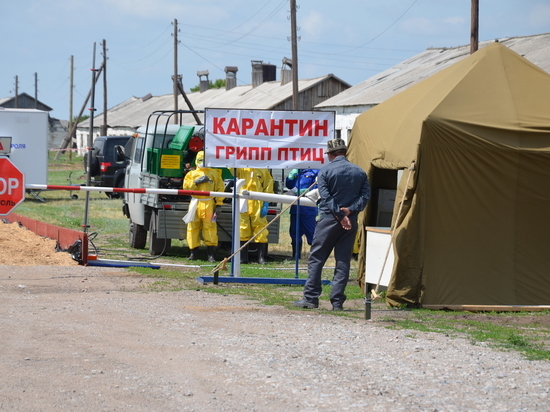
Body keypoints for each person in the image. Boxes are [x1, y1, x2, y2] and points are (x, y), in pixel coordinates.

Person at [293, 138, 370, 311]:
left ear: (331, 154)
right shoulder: (359, 172)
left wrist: (339, 214)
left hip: (329, 219)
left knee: (317, 258)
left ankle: (311, 298)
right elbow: (364, 197)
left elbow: (326, 198)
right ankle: (337, 302)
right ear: (344, 152)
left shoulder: (325, 171)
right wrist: (349, 211)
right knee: (343, 260)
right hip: (350, 220)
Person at [182, 151, 225, 263]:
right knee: (192, 228)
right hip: (195, 203)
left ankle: (210, 255)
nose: (202, 162)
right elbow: (186, 189)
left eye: (204, 160)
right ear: (196, 160)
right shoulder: (191, 174)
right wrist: (196, 182)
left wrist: (219, 204)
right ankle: (193, 253)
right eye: (200, 160)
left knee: (210, 228)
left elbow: (220, 189)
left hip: (209, 203)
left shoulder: (214, 174)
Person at [236, 168, 274, 264]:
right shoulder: (241, 169)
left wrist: (266, 202)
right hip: (243, 201)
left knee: (260, 229)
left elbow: (268, 186)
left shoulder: (263, 171)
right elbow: (231, 168)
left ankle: (261, 258)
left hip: (258, 202)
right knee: (243, 228)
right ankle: (243, 258)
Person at [285, 168, 319, 260]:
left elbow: (317, 188)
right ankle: (296, 256)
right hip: (296, 207)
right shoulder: (297, 170)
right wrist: (290, 177)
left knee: (312, 233)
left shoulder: (315, 172)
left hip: (308, 208)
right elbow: (289, 185)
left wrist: (305, 191)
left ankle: (315, 257)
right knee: (294, 232)